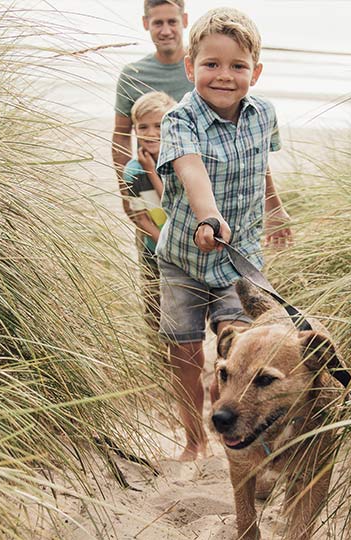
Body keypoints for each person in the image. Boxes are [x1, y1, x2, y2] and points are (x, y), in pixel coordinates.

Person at [155, 7, 293, 461]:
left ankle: (243, 426)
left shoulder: (263, 114)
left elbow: (260, 166)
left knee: (243, 345)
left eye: (237, 66)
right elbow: (191, 170)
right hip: (184, 258)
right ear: (190, 66)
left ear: (255, 72)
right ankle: (194, 439)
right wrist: (208, 217)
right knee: (186, 350)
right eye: (211, 65)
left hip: (240, 259)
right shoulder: (180, 120)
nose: (224, 76)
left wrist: (274, 207)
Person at [112, 0, 193, 225]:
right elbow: (121, 134)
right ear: (146, 23)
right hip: (146, 185)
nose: (166, 31)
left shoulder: (200, 69)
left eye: (172, 22)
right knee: (151, 250)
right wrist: (125, 191)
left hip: (193, 185)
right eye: (158, 23)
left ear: (184, 21)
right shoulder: (133, 74)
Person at [122, 91, 177, 332]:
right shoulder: (133, 171)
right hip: (153, 247)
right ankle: (158, 361)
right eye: (143, 127)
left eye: (159, 125)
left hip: (184, 246)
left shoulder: (180, 162)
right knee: (154, 305)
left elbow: (173, 204)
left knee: (181, 307)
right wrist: (160, 242)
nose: (151, 133)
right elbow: (139, 216)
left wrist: (152, 171)